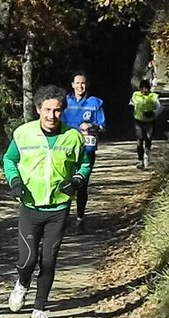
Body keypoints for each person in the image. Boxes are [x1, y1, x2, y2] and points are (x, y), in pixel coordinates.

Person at [2, 85, 92, 318]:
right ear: (38, 109)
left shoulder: (73, 137)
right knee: (27, 260)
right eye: (47, 110)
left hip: (59, 207)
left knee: (49, 260)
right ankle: (22, 283)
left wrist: (77, 180)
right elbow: (9, 159)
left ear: (63, 111)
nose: (52, 116)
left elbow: (85, 164)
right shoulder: (23, 134)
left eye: (58, 111)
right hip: (31, 206)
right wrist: (15, 182)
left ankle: (39, 311)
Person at [61, 71, 106, 234]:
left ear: (87, 85)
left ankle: (80, 219)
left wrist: (91, 126)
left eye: (83, 83)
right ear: (72, 84)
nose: (80, 86)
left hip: (87, 149)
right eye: (77, 83)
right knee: (65, 181)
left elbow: (103, 125)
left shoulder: (95, 103)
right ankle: (63, 218)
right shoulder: (64, 102)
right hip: (67, 149)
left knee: (82, 184)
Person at [129, 79, 162, 169]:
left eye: (146, 88)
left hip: (150, 121)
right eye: (142, 88)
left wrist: (153, 113)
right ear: (140, 88)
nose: (144, 90)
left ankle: (147, 154)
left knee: (148, 139)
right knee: (139, 140)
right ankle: (140, 160)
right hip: (138, 121)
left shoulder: (154, 96)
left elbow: (160, 108)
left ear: (149, 88)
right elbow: (131, 103)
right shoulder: (135, 95)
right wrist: (130, 109)